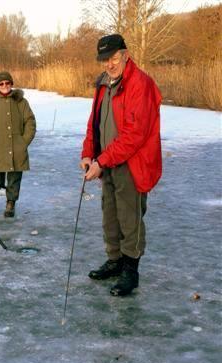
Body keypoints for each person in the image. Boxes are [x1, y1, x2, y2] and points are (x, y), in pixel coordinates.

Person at [80, 34, 162, 296]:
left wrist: (101, 161)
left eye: (114, 57)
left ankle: (130, 270)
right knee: (110, 216)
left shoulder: (141, 84)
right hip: (108, 162)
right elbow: (95, 123)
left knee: (130, 218)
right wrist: (88, 153)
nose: (110, 64)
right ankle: (115, 261)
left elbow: (134, 135)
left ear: (125, 54)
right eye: (105, 59)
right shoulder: (103, 84)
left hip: (131, 162)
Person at [0, 71, 36, 218]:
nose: (5, 86)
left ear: (11, 84)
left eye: (7, 83)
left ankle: (11, 203)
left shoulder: (21, 102)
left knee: (14, 177)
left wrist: (24, 141)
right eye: (1, 83)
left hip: (17, 147)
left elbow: (30, 121)